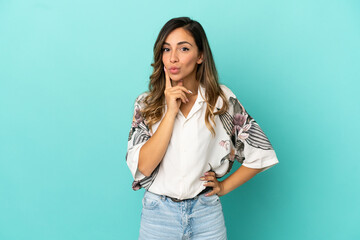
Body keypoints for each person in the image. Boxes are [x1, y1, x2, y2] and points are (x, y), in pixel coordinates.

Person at [126, 16, 279, 240]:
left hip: (206, 215)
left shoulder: (221, 99)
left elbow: (261, 153)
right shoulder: (146, 104)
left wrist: (224, 187)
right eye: (166, 49)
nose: (173, 58)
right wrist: (170, 112)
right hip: (158, 216)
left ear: (200, 56)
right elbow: (144, 168)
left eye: (184, 48)